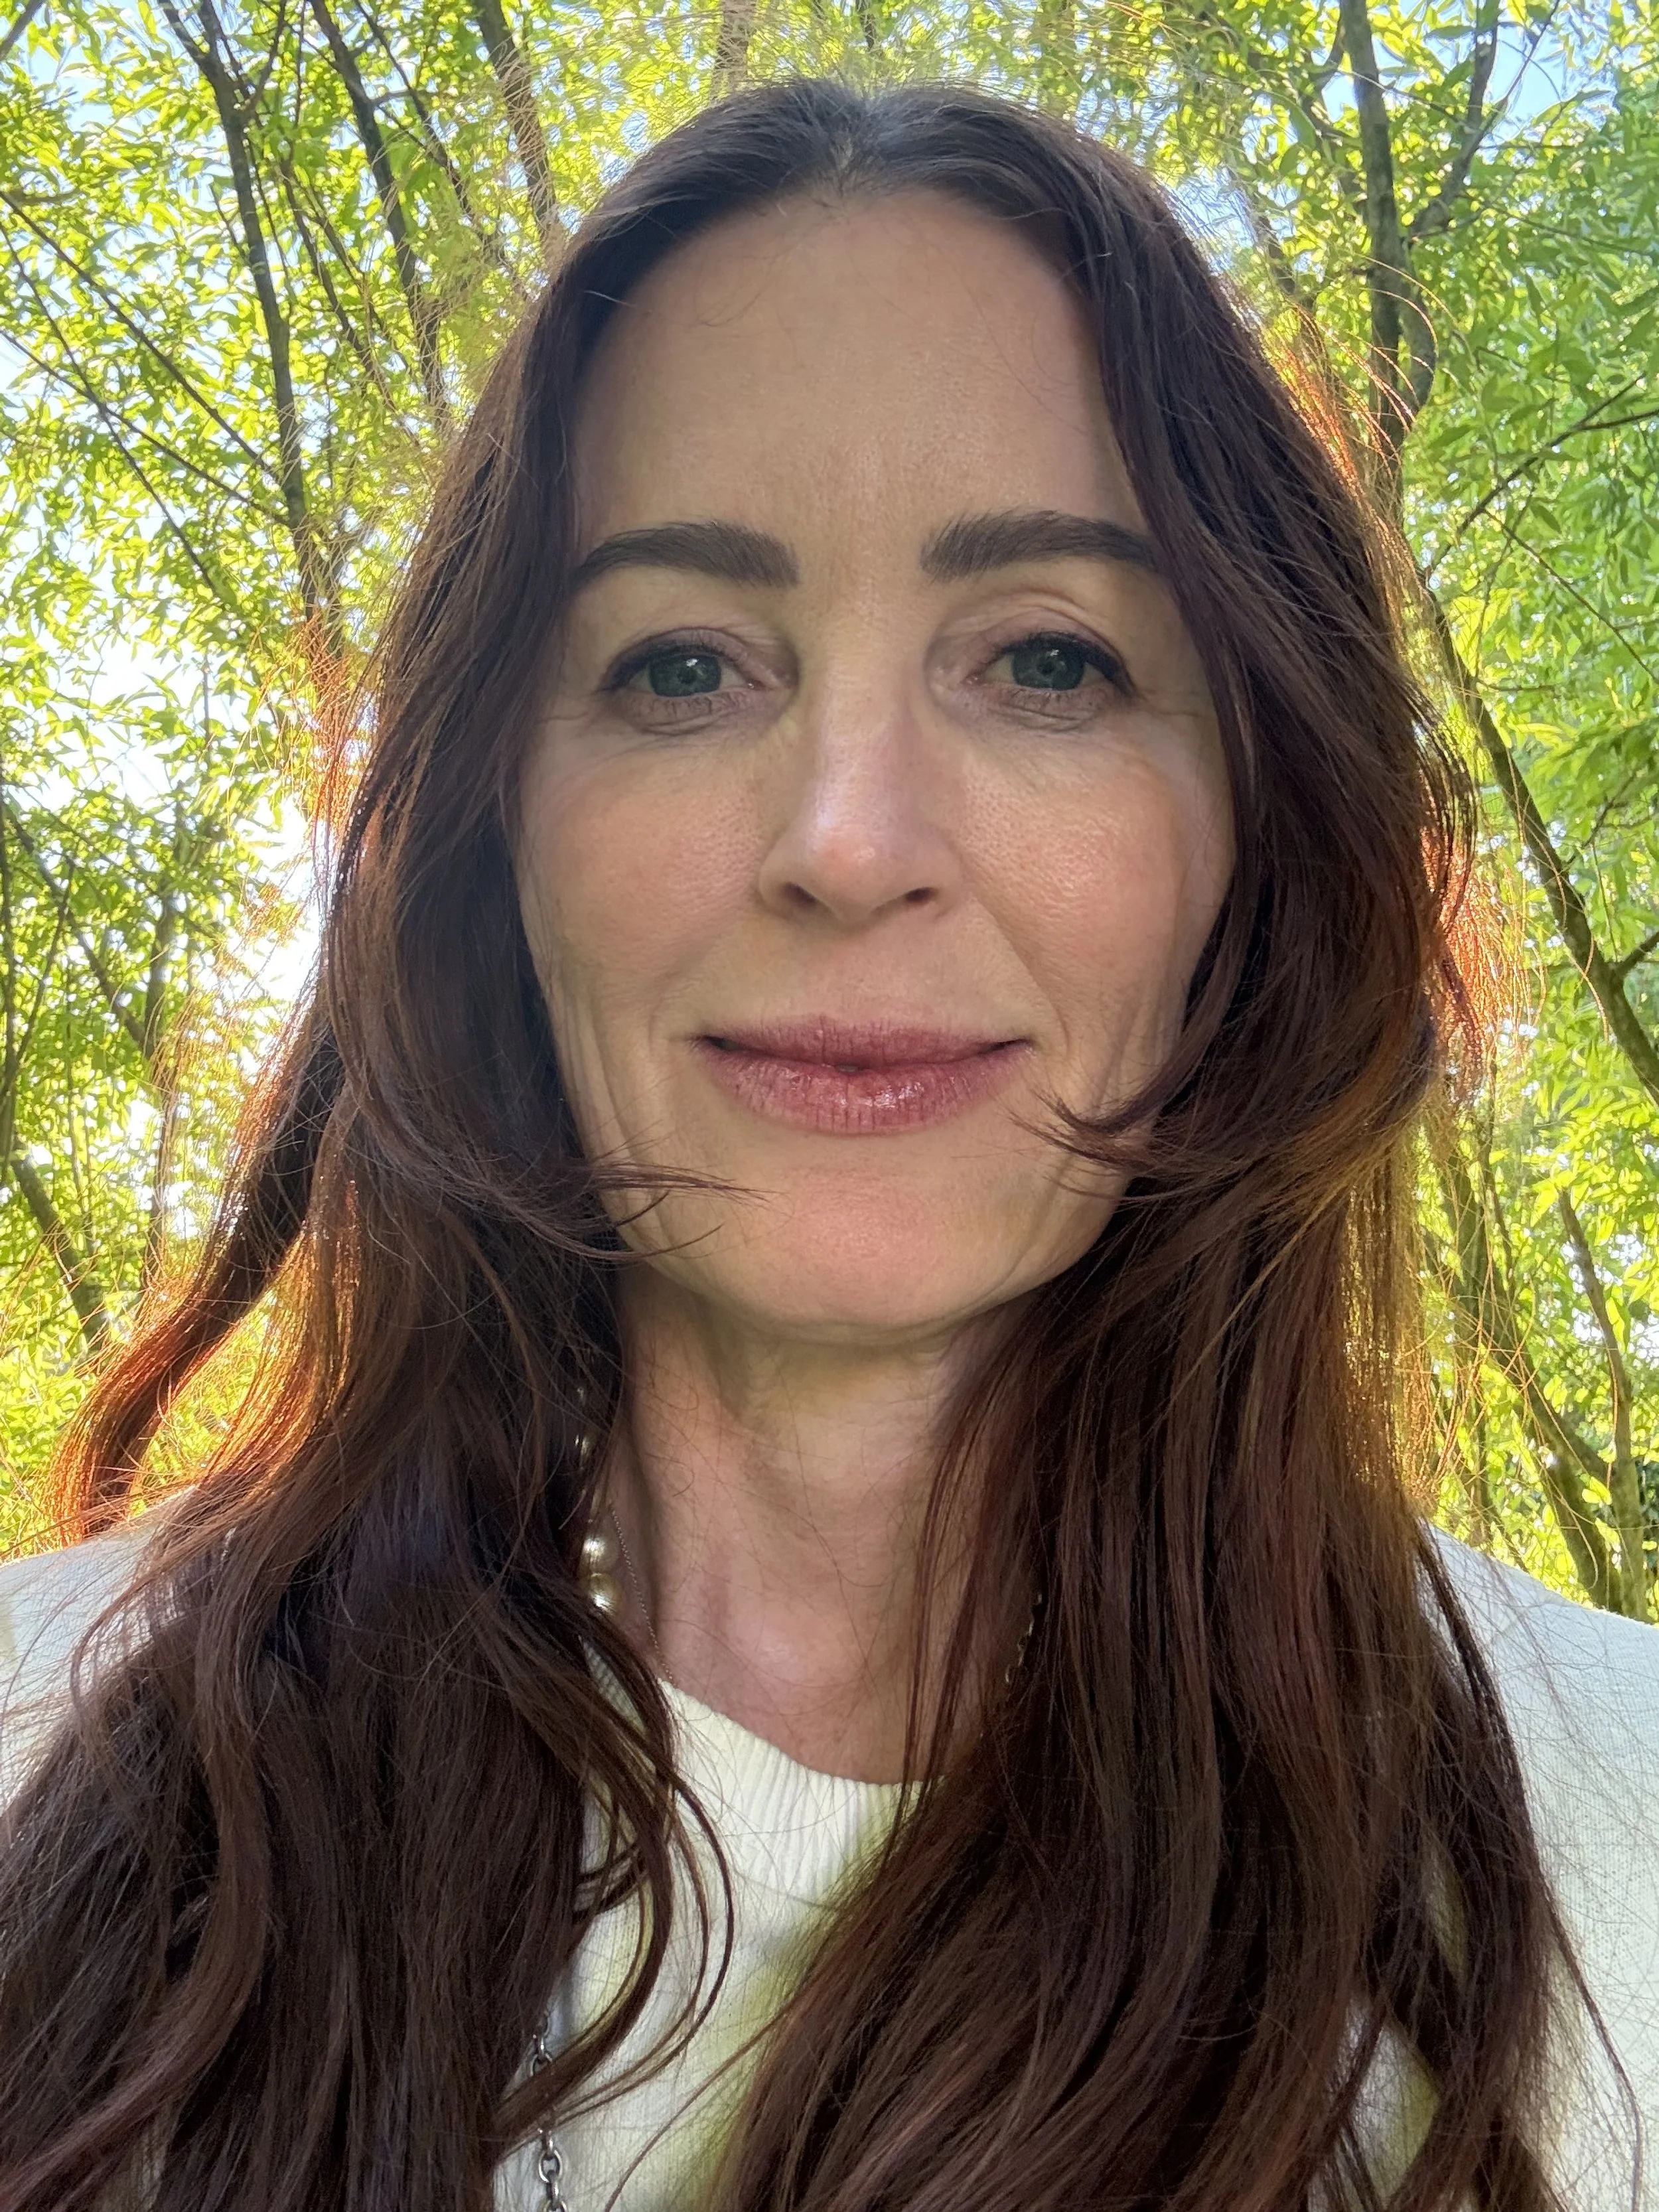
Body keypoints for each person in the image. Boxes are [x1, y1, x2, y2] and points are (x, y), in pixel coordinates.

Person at [0, 76, 1654, 2212]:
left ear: (1256, 829)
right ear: (502, 834)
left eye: (1047, 659)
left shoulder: (1618, 1839)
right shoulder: (39, 1746)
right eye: (681, 664)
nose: (847, 841)